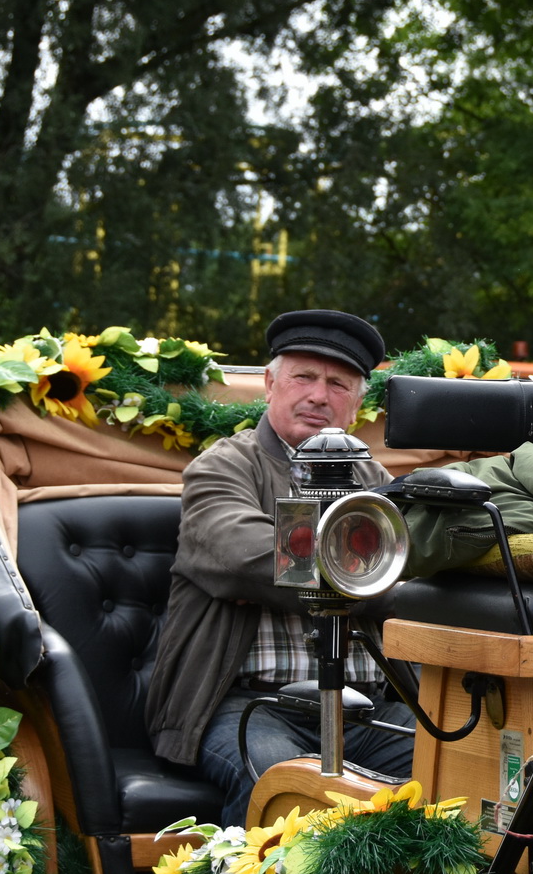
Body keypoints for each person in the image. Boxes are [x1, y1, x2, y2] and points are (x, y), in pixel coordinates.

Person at [146, 310, 416, 827]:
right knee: (283, 785)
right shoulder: (223, 465)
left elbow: (415, 574)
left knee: (464, 769)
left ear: (358, 405)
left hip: (370, 708)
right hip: (248, 705)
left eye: (339, 384)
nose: (319, 395)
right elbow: (241, 557)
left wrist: (286, 572)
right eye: (304, 377)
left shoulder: (378, 478)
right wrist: (368, 574)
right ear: (269, 384)